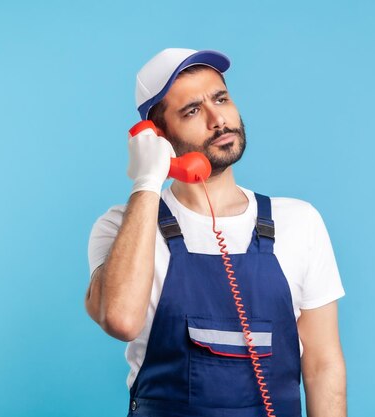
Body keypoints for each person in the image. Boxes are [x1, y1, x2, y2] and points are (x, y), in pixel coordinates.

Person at [86, 48, 346, 417]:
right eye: (192, 110)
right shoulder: (120, 228)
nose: (217, 119)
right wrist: (147, 180)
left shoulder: (299, 222)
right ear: (157, 136)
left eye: (221, 98)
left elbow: (323, 365)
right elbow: (121, 320)